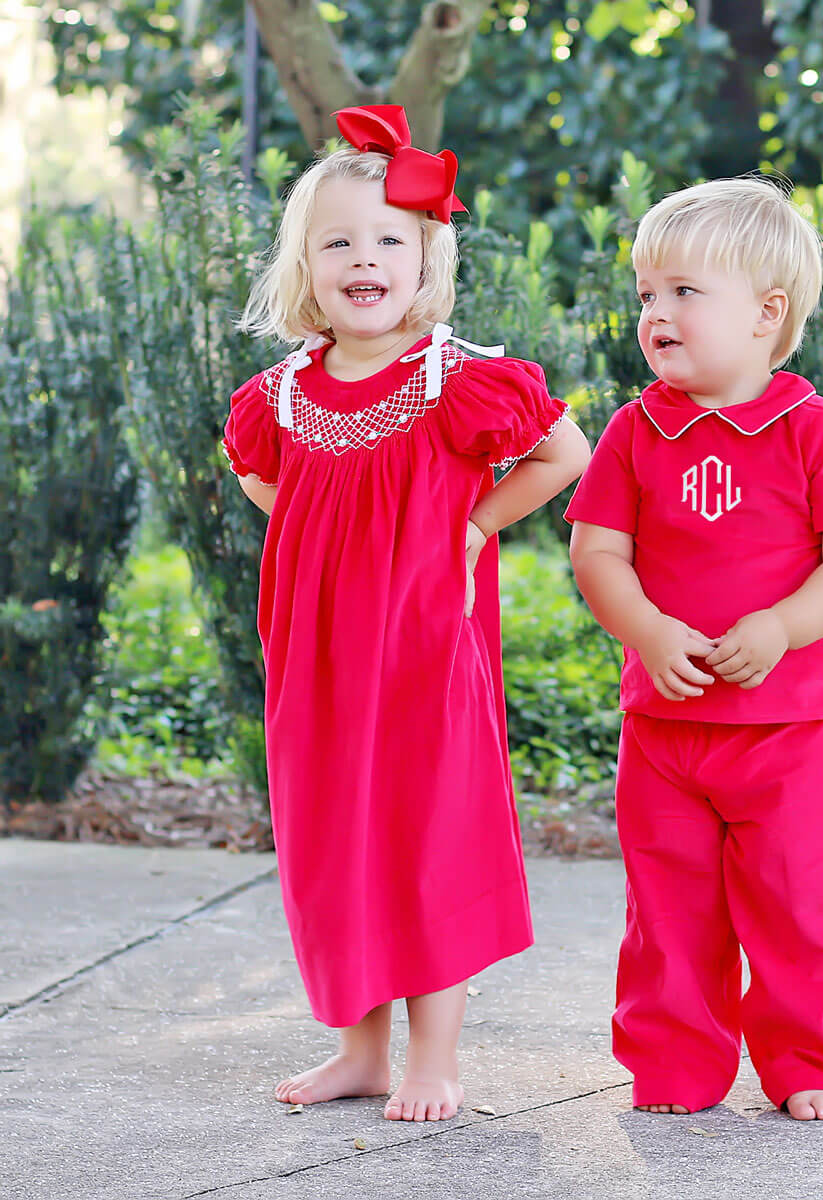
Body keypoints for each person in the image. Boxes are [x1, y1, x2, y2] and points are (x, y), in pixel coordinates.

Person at [223, 105, 590, 1123]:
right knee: (334, 839)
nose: (364, 259)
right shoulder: (280, 395)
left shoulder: (452, 380)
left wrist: (471, 528)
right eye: (338, 242)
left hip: (426, 648)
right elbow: (258, 474)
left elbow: (565, 454)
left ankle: (434, 1057)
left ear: (425, 259)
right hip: (319, 661)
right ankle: (360, 1051)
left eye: (389, 240)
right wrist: (320, 538)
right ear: (306, 267)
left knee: (427, 835)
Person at [566, 177, 823, 1121]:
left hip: (784, 731)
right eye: (646, 294)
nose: (656, 313)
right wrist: (647, 630)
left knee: (802, 905)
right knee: (668, 911)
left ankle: (810, 1060)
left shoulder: (812, 429)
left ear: (766, 313)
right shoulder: (635, 431)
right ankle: (675, 1061)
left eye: (683, 292)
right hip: (665, 731)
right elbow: (597, 553)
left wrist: (783, 625)